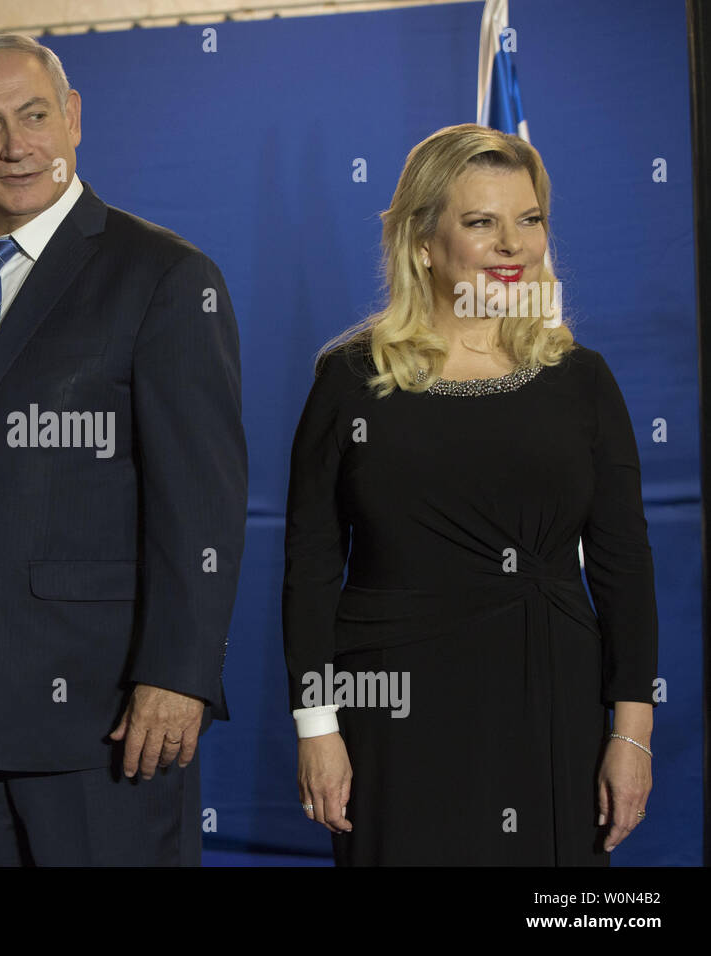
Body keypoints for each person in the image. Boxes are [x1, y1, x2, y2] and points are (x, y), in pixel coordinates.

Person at [0, 34, 247, 866]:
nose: (17, 145)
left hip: (103, 718)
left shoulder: (165, 277)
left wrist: (180, 675)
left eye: (34, 116)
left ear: (72, 118)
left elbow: (201, 501)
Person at [283, 123, 657, 865]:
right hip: (394, 707)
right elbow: (311, 566)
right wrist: (317, 728)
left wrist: (631, 735)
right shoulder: (350, 380)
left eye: (529, 219)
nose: (512, 244)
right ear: (424, 242)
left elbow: (624, 569)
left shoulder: (583, 381)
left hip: (551, 697)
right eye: (482, 222)